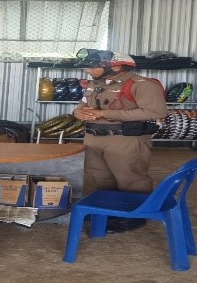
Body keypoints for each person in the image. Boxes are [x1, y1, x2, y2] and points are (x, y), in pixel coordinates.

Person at [72, 49, 168, 232]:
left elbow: (157, 111)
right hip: (93, 138)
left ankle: (134, 216)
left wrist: (104, 114)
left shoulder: (141, 85)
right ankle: (109, 211)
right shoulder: (93, 84)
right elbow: (82, 105)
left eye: (92, 66)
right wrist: (77, 112)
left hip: (125, 140)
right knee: (102, 179)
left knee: (131, 179)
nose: (87, 70)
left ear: (115, 67)